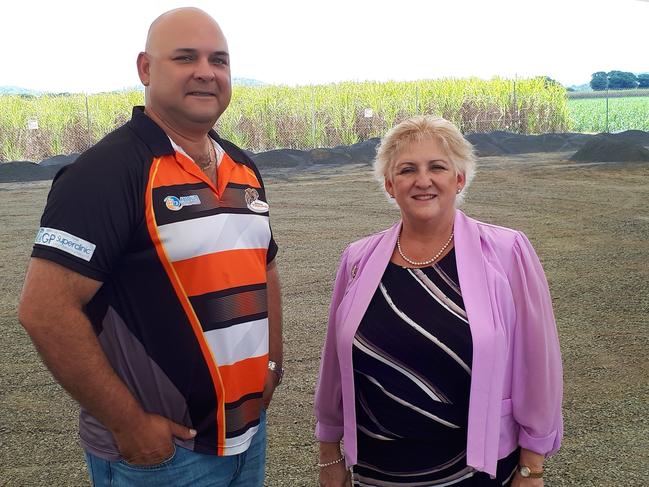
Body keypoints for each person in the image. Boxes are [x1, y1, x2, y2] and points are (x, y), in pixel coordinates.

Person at [18, 7, 283, 487]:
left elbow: (263, 268)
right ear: (145, 68)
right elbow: (44, 309)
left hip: (247, 437)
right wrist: (128, 424)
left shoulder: (242, 168)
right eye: (185, 57)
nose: (206, 72)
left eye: (218, 60)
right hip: (167, 456)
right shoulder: (107, 172)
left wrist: (270, 365)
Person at [314, 116, 563, 486]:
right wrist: (329, 454)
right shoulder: (357, 259)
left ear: (459, 179)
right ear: (389, 184)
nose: (422, 180)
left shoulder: (507, 252)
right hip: (377, 472)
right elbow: (335, 363)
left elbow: (537, 365)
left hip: (473, 471)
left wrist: (531, 468)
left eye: (437, 167)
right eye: (407, 170)